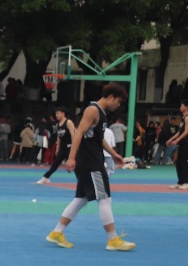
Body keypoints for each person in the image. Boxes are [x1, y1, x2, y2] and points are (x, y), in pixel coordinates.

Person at [45, 84, 136, 252]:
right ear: (110, 97)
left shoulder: (102, 113)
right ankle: (112, 239)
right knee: (104, 198)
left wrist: (113, 154)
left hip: (89, 161)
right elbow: (79, 133)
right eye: (118, 102)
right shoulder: (92, 110)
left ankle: (56, 232)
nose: (118, 106)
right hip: (90, 163)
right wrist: (71, 157)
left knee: (81, 198)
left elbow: (98, 138)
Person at [37, 108, 75, 184]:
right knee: (55, 164)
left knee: (77, 166)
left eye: (58, 113)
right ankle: (46, 177)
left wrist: (74, 148)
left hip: (70, 147)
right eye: (56, 113)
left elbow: (73, 135)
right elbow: (58, 137)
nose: (56, 115)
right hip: (62, 148)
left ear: (63, 113)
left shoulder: (68, 122)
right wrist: (57, 148)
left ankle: (84, 180)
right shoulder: (57, 124)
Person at [167, 101, 188, 189]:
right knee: (178, 162)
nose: (180, 107)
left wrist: (177, 140)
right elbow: (179, 132)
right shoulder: (183, 118)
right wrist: (171, 139)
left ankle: (186, 183)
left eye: (182, 106)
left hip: (187, 142)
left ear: (187, 107)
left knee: (184, 162)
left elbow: (186, 132)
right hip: (182, 142)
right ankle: (180, 182)